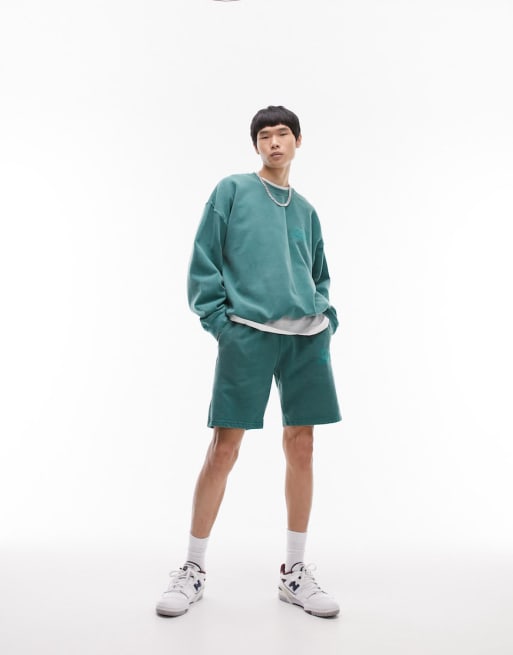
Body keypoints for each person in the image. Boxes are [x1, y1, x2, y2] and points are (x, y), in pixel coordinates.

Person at [156, 105, 342, 619]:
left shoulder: (307, 210)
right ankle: (192, 568)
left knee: (302, 446)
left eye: (282, 134)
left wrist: (326, 318)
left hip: (305, 338)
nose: (274, 142)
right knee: (224, 447)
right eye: (264, 136)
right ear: (256, 145)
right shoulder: (232, 191)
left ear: (298, 141)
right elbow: (204, 259)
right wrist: (221, 325)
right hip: (246, 334)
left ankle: (294, 572)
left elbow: (320, 273)